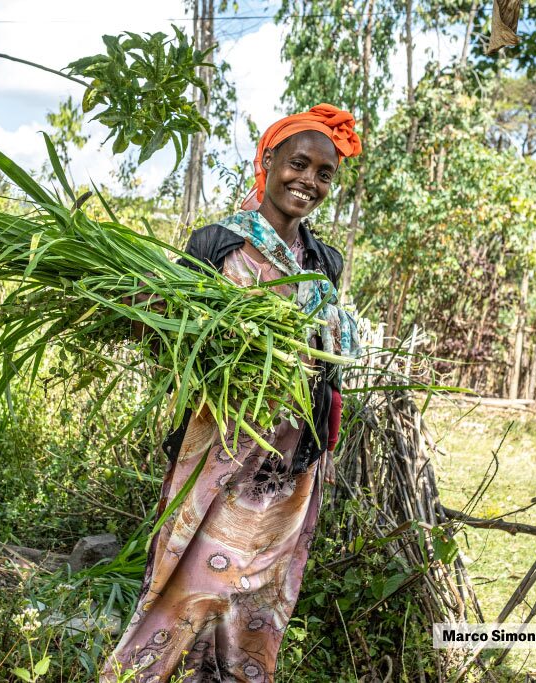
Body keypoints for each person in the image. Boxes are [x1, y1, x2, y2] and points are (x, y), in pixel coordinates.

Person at [101, 104, 362, 683]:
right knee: (195, 577)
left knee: (258, 591)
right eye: (298, 164)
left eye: (325, 174)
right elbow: (172, 342)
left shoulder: (324, 261)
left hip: (289, 458)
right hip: (222, 441)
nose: (309, 182)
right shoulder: (218, 243)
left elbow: (327, 363)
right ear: (267, 162)